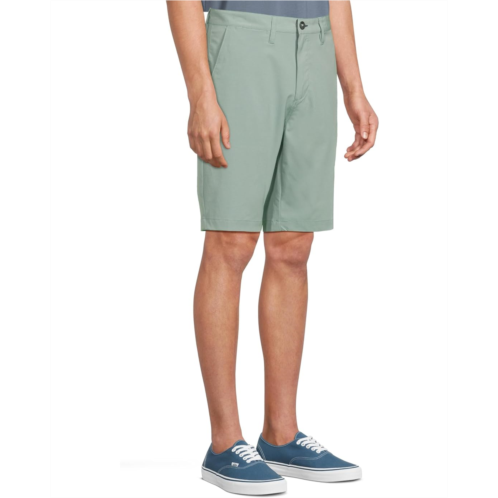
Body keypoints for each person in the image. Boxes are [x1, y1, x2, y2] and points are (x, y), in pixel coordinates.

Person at [166, 0, 379, 494]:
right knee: (231, 240)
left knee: (293, 245)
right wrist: (200, 93)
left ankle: (281, 434)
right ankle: (224, 444)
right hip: (241, 42)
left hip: (316, 43)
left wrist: (353, 87)